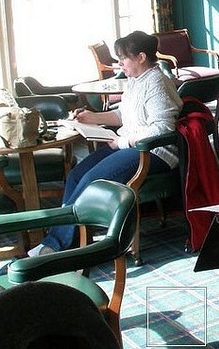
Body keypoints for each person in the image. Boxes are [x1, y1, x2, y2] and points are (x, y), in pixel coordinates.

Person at [28, 30, 183, 256]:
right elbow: (123, 115)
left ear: (141, 57)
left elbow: (162, 128)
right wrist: (91, 117)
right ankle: (68, 238)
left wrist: (123, 142)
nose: (119, 63)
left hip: (155, 151)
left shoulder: (157, 83)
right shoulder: (134, 81)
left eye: (123, 58)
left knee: (92, 180)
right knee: (76, 175)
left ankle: (55, 245)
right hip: (131, 145)